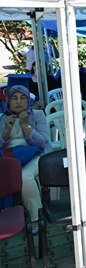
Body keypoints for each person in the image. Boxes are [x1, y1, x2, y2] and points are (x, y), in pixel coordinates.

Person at [0, 85, 51, 224]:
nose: (18, 102)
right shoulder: (2, 118)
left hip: (34, 155)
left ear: (28, 100)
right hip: (9, 158)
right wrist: (6, 130)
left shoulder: (37, 114)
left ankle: (36, 219)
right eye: (14, 98)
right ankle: (6, 216)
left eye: (23, 98)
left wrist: (25, 125)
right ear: (8, 101)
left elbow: (42, 143)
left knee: (24, 176)